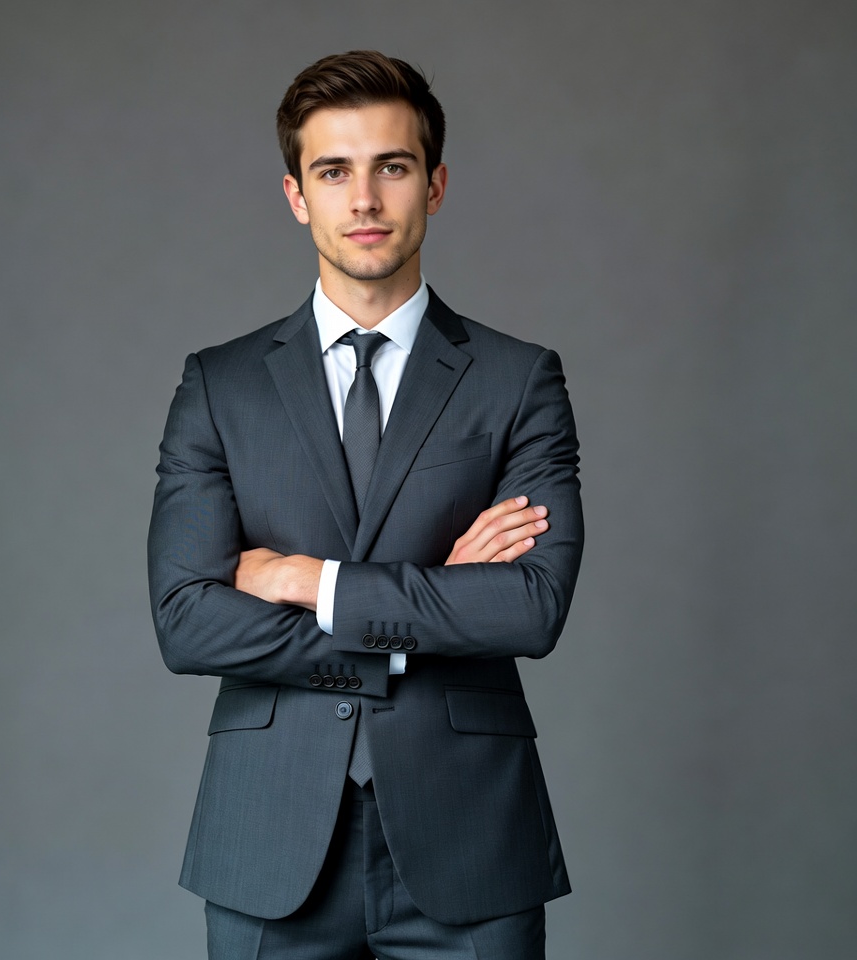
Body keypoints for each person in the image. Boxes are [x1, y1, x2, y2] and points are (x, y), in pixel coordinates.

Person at [148, 49, 583, 960]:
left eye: (392, 166)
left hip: (472, 837)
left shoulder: (517, 380)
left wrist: (306, 580)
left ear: (436, 183)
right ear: (296, 195)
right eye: (333, 171)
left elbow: (532, 606)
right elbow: (188, 621)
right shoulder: (219, 386)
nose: (365, 200)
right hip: (268, 837)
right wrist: (423, 610)